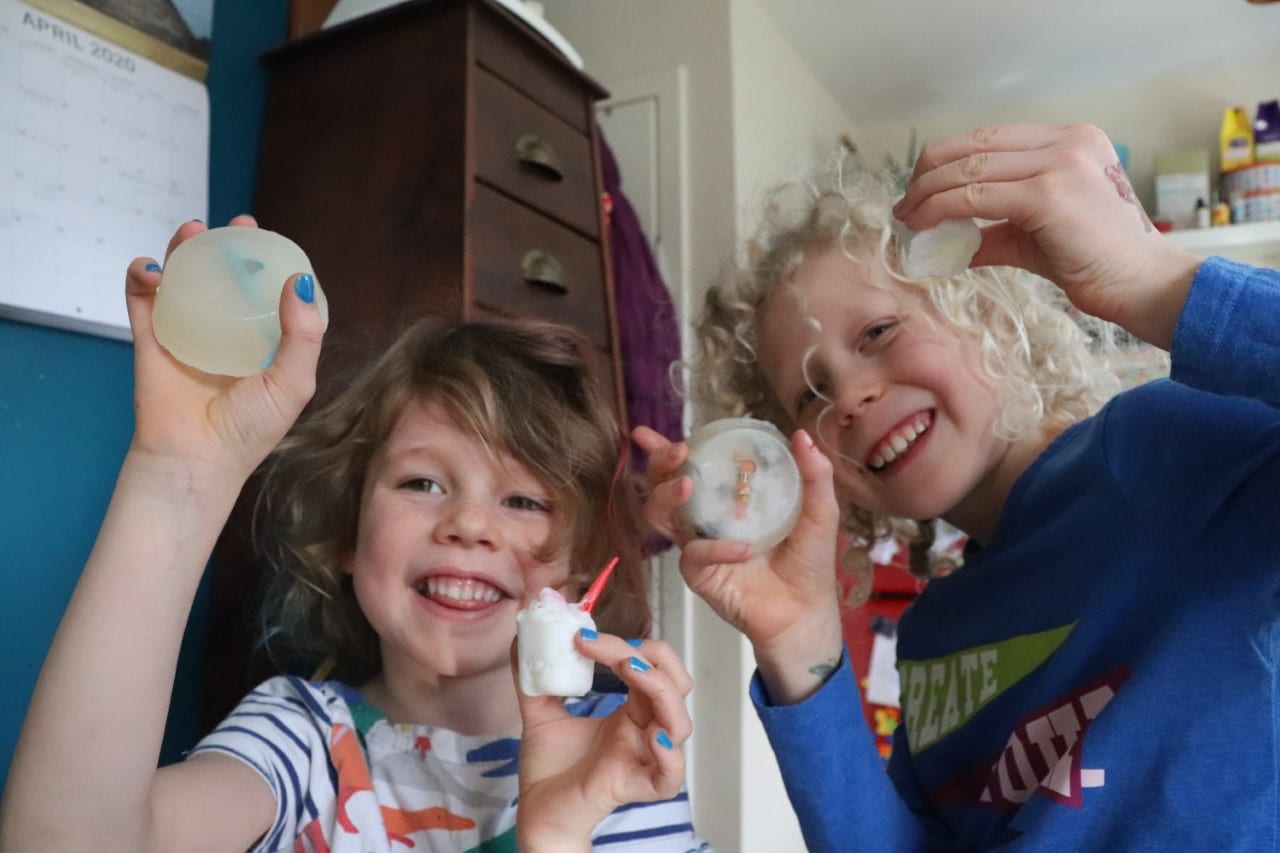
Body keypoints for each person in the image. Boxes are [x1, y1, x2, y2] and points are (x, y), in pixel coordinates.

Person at [636, 123, 1280, 850]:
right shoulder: (932, 634)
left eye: (878, 332)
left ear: (983, 306)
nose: (847, 399)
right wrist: (798, 643)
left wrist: (1159, 282)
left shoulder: (1155, 453)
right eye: (811, 395)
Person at [0, 218, 706, 853]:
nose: (467, 524)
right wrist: (174, 476)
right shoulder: (302, 740)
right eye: (422, 483)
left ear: (582, 572)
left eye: (523, 499)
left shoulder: (620, 759)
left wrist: (557, 836)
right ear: (349, 531)